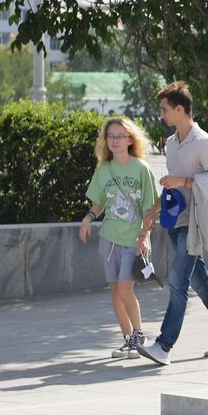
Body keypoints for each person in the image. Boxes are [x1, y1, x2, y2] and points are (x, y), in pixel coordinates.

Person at [137, 81, 208, 366]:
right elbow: (174, 186)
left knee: (177, 281)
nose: (161, 115)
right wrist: (154, 210)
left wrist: (182, 181)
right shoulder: (172, 144)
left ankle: (164, 345)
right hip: (175, 220)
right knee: (201, 283)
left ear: (180, 110)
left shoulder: (204, 142)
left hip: (196, 223)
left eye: (165, 110)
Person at [79, 117, 158, 361]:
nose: (114, 141)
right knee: (115, 291)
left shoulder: (141, 168)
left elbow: (151, 207)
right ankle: (128, 340)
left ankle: (139, 335)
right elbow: (100, 201)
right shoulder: (103, 169)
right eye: (110, 136)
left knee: (125, 289)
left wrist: (144, 237)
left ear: (130, 139)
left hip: (133, 239)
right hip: (109, 238)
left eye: (119, 136)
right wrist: (88, 218)